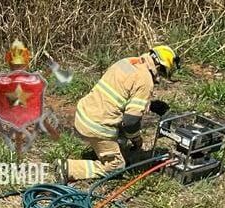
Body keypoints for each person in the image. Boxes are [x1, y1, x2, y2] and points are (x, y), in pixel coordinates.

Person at [61, 45, 179, 181]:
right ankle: (69, 168)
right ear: (159, 68)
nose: (160, 78)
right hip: (97, 126)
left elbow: (123, 91)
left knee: (121, 133)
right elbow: (130, 122)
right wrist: (137, 140)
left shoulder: (128, 62)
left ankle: (109, 149)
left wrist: (149, 104)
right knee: (116, 166)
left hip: (84, 113)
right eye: (163, 73)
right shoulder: (145, 80)